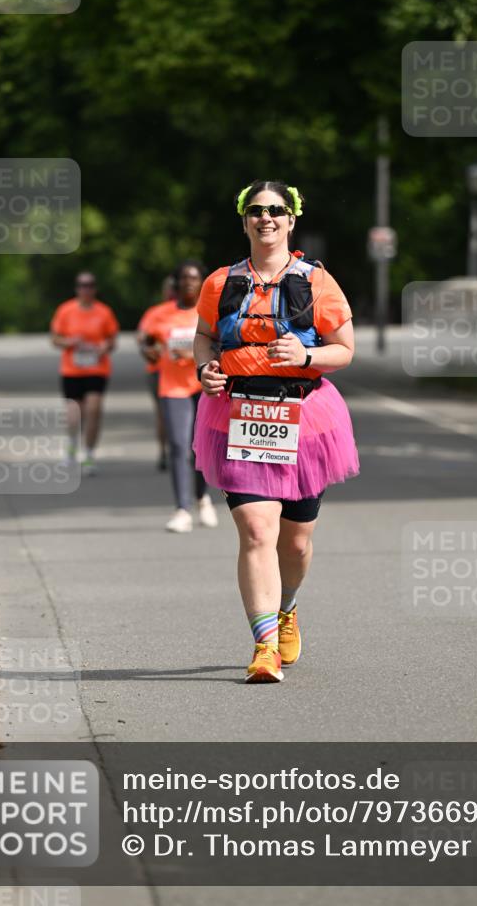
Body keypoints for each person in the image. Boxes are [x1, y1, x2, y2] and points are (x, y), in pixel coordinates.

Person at [193, 180, 359, 683]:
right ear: (244, 220)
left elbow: (345, 349)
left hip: (305, 420)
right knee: (257, 530)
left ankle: (286, 608)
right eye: (257, 211)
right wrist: (205, 370)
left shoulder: (317, 281)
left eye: (277, 211)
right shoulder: (219, 282)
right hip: (238, 415)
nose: (267, 218)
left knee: (296, 544)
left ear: (292, 220)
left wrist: (306, 356)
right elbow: (204, 336)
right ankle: (264, 646)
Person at [145, 260, 218, 532]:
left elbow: (222, 343)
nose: (189, 282)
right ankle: (182, 509)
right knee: (177, 446)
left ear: (202, 282)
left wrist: (195, 355)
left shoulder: (209, 310)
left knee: (199, 447)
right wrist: (150, 351)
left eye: (194, 277)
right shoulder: (159, 314)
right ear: (176, 283)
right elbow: (148, 343)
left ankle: (202, 498)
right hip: (173, 387)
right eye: (184, 278)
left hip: (204, 387)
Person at [50, 272, 119, 475]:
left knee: (93, 410)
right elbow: (55, 339)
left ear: (95, 288)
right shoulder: (66, 310)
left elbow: (112, 341)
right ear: (76, 288)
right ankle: (71, 449)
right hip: (72, 369)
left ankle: (89, 454)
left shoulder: (104, 312)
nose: (86, 289)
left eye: (89, 285)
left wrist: (103, 347)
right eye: (82, 285)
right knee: (73, 416)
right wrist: (70, 342)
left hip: (96, 369)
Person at [137, 275, 177, 471]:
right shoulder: (155, 313)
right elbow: (142, 339)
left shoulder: (195, 310)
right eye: (168, 288)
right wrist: (155, 348)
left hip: (188, 372)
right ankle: (164, 451)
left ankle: (187, 450)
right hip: (159, 371)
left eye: (174, 288)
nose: (171, 292)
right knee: (164, 413)